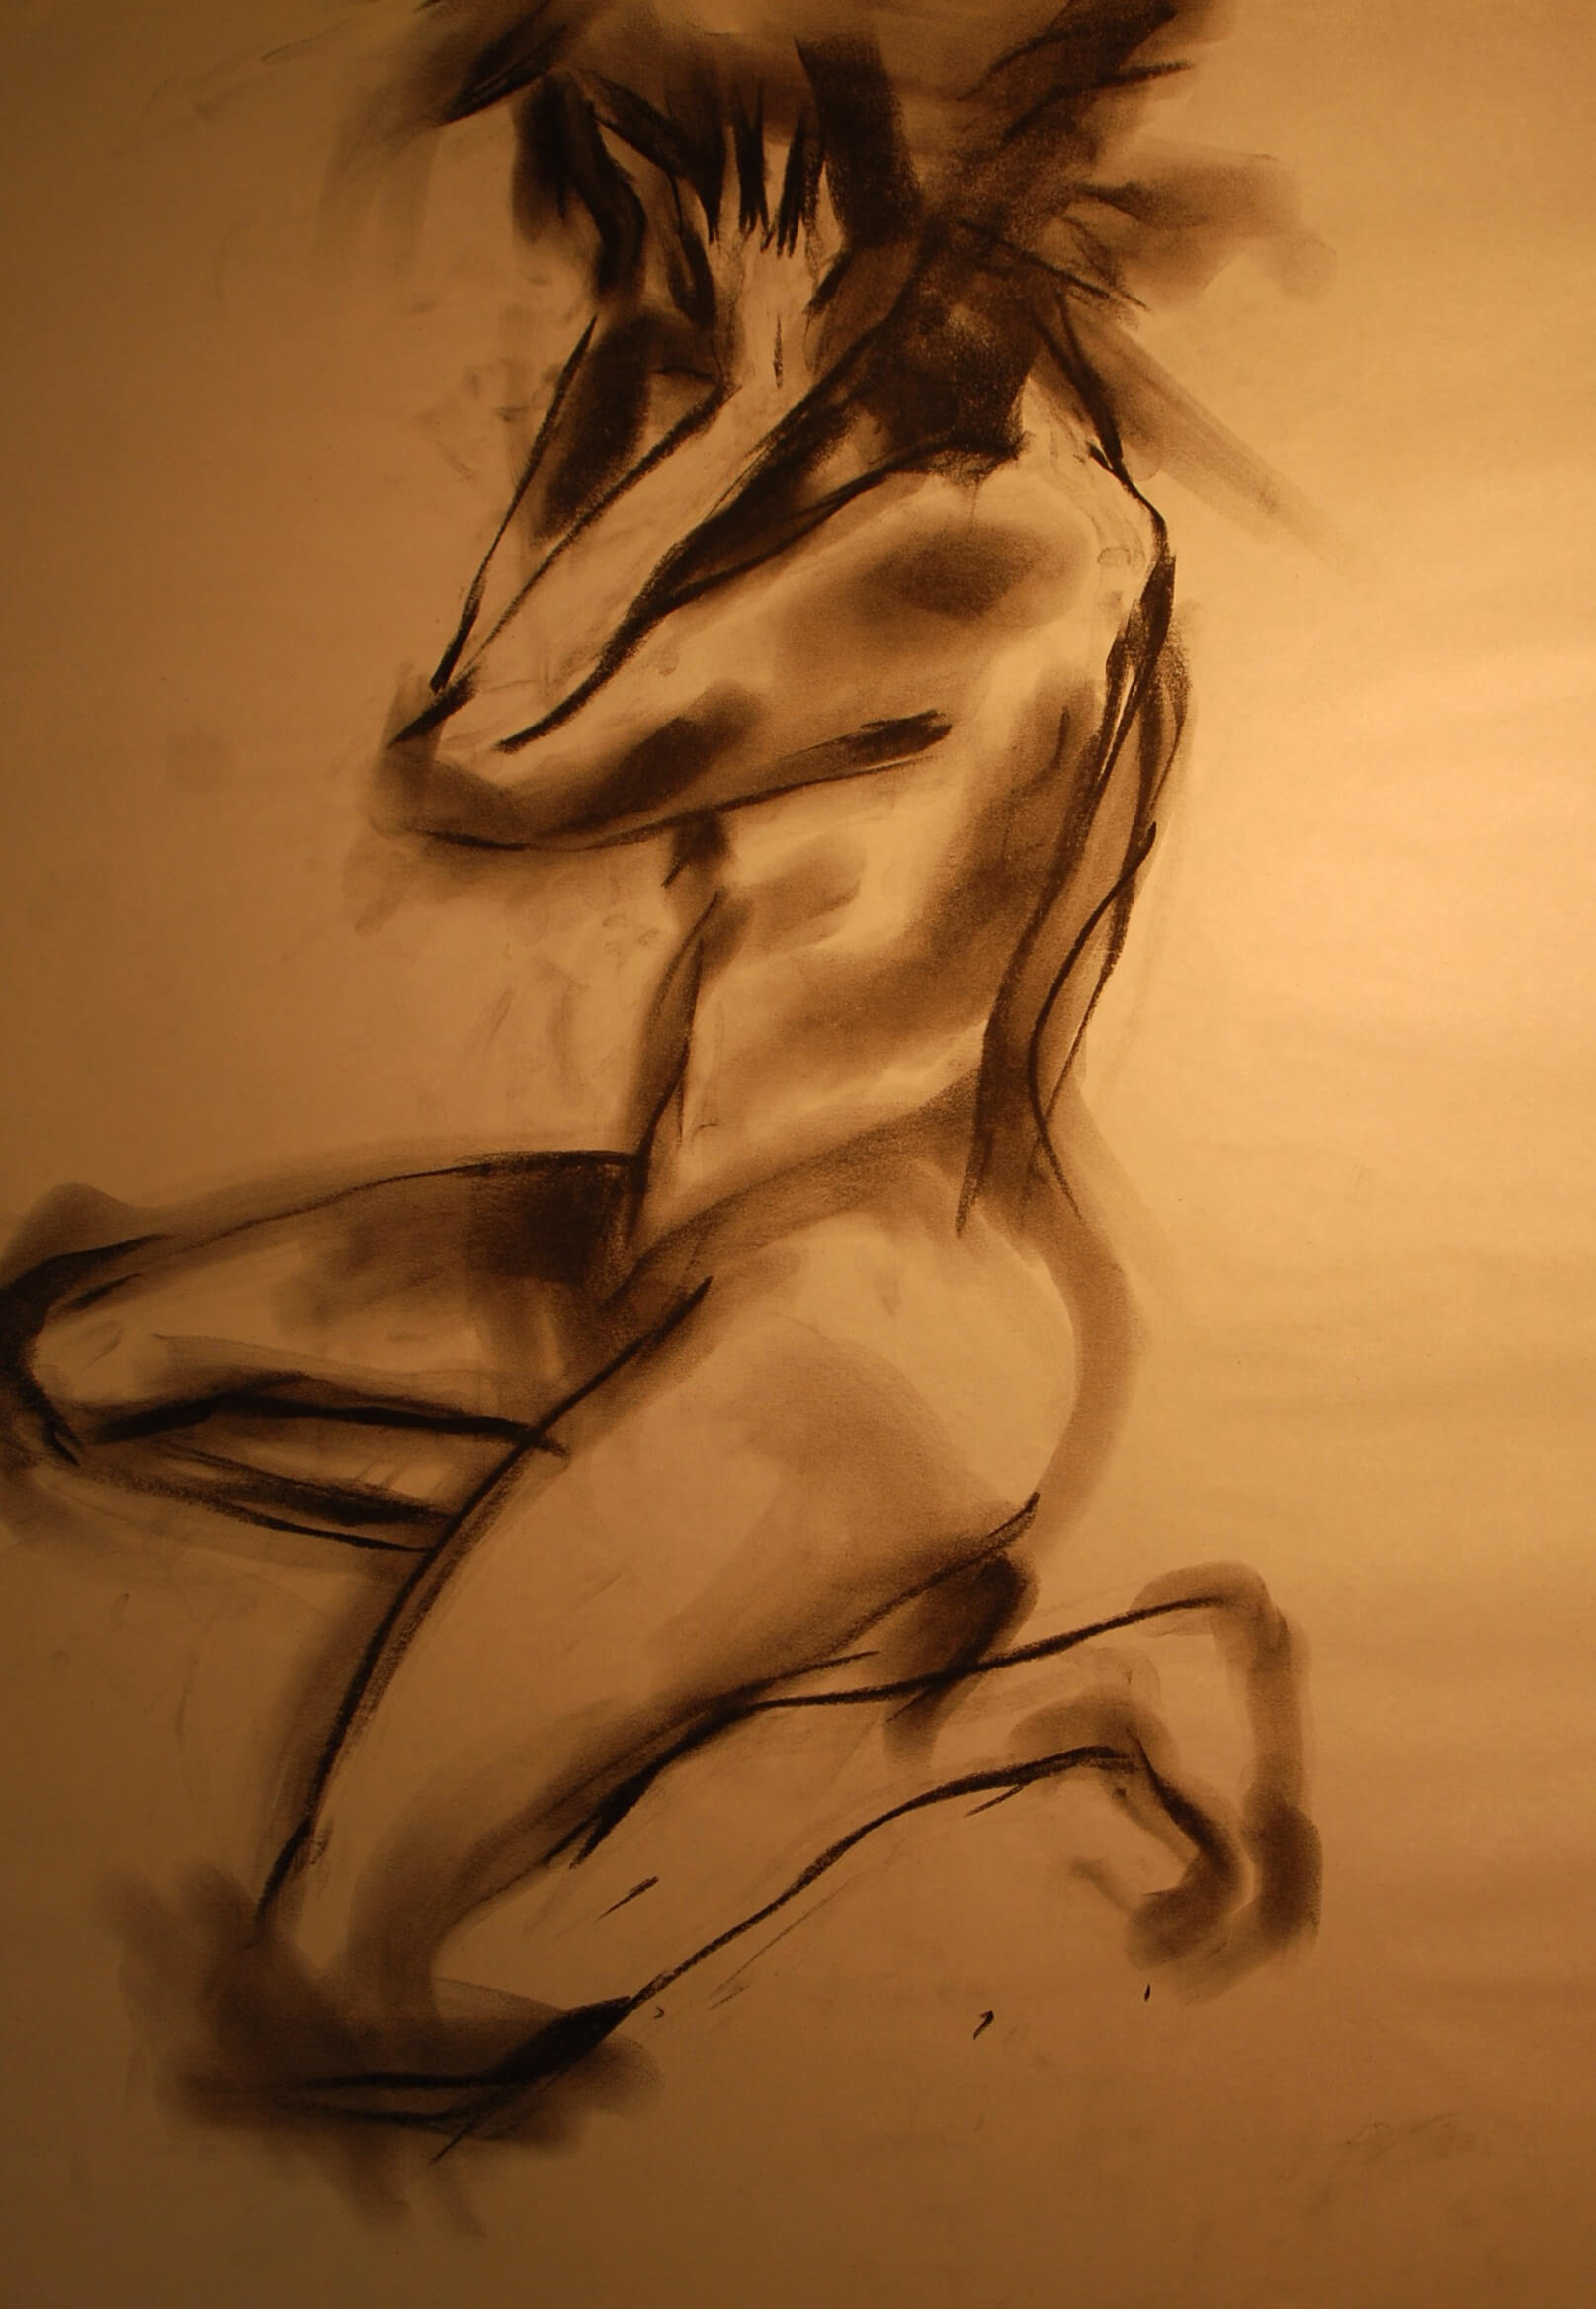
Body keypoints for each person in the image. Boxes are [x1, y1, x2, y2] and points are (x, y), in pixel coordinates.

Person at [3, 0, 1316, 2145]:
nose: (637, 285)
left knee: (339, 1982)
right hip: (660, 1246)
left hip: (863, 1319)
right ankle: (714, 1613)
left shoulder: (1001, 540)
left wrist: (747, 402)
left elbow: (485, 760)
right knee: (87, 1359)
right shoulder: (843, 492)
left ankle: (1017, 1703)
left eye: (668, 226)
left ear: (842, 224)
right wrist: (711, 405)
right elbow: (516, 700)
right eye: (627, 235)